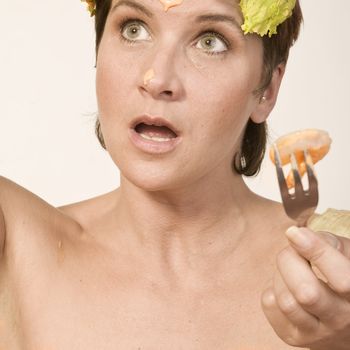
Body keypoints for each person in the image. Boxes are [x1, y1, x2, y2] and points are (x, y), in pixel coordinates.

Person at [0, 0, 349, 349]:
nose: (157, 79)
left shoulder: (334, 271)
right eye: (134, 29)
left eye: (211, 41)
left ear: (267, 91)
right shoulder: (15, 244)